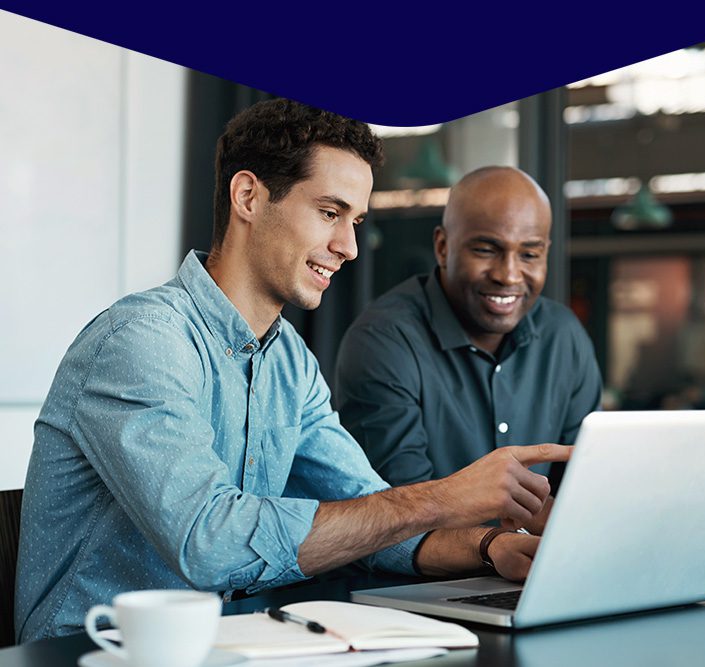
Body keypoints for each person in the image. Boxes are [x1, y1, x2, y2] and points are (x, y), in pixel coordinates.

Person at [15, 100, 569, 642]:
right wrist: (443, 497)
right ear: (249, 196)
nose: (348, 246)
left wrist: (489, 546)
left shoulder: (290, 363)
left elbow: (372, 522)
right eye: (330, 213)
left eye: (355, 220)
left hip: (239, 648)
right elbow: (211, 545)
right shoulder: (142, 342)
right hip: (97, 654)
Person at [335, 166, 601, 522]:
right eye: (487, 250)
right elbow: (398, 514)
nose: (508, 274)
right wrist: (496, 545)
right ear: (443, 247)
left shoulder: (563, 336)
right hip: (419, 578)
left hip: (540, 569)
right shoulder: (384, 340)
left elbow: (585, 489)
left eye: (529, 254)